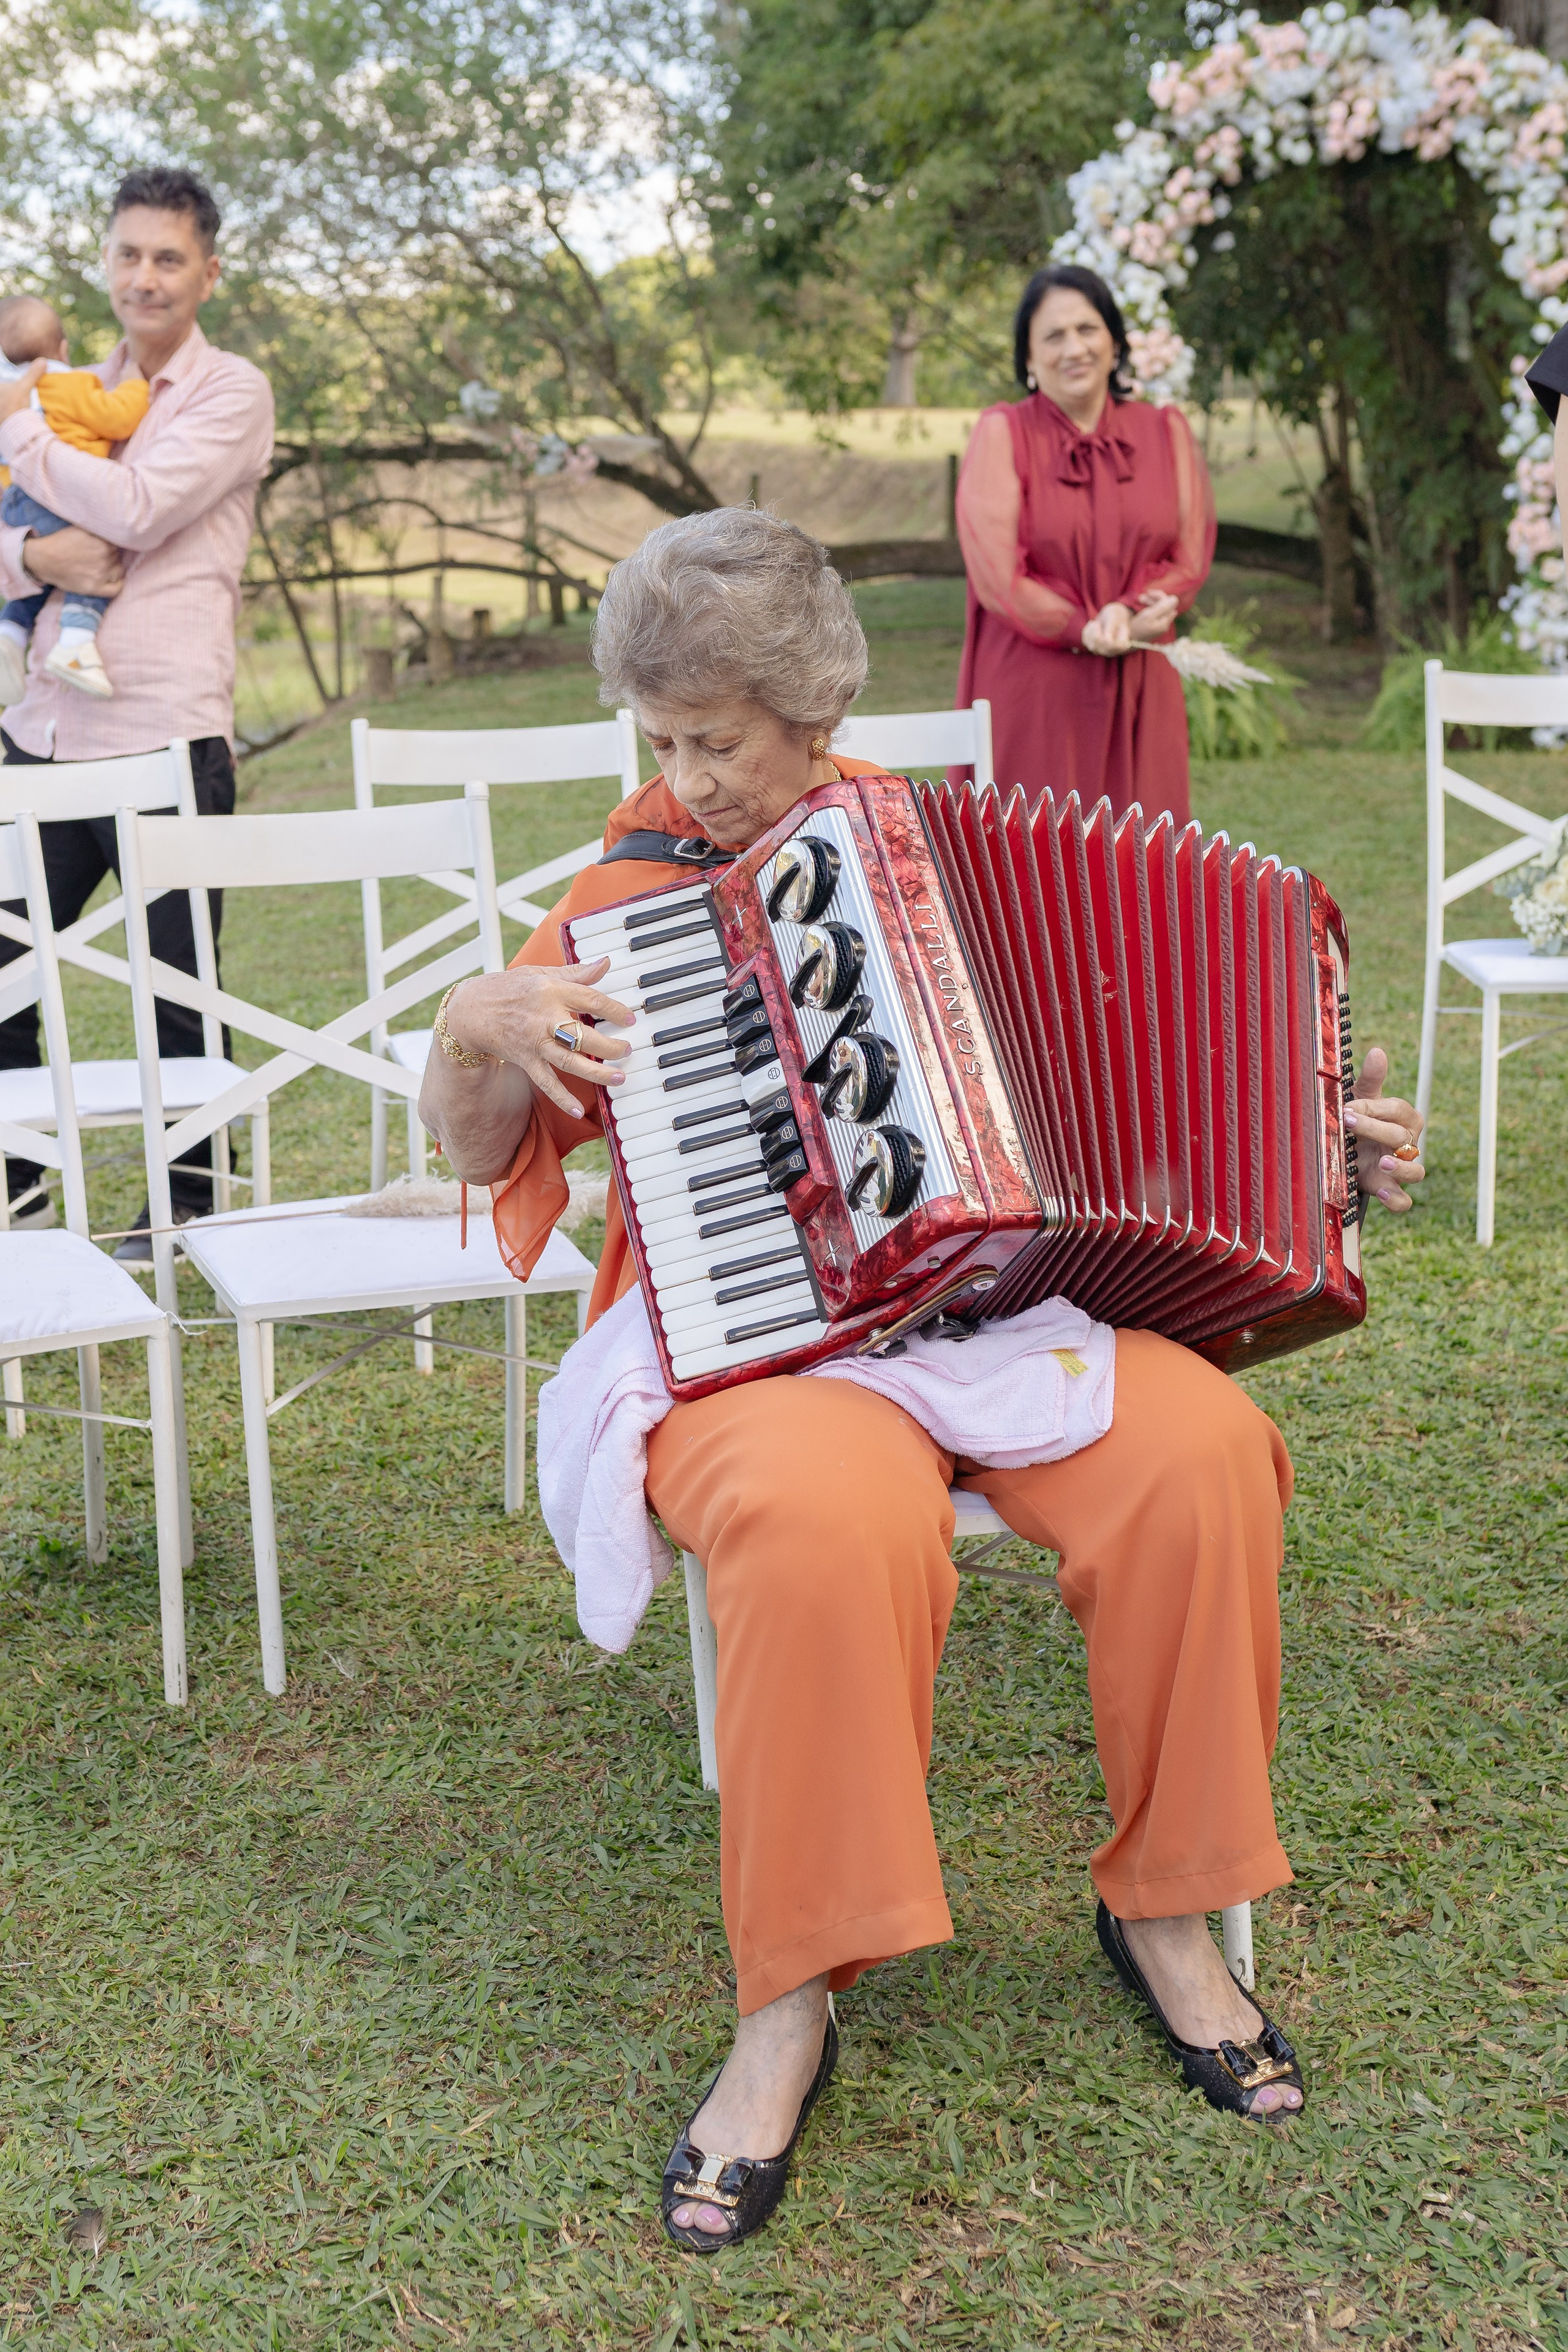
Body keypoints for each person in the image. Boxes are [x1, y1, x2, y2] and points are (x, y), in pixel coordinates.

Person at [420, 508, 1427, 2255]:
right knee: (824, 1525)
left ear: (812, 708)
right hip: (754, 1338)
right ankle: (791, 1995)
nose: (684, 780)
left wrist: (1322, 1145)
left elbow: (1188, 1057)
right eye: (657, 740)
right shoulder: (624, 909)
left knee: (1208, 1456)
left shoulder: (939, 853)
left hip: (991, 1317)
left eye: (715, 742)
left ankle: (1171, 1908)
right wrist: (469, 1036)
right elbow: (480, 1146)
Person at [0, 167, 274, 1251]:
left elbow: (140, 508)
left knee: (178, 985)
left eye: (169, 257)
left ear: (207, 271)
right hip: (44, 731)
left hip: (167, 734)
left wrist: (20, 432)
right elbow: (62, 531)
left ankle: (186, 1208)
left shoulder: (229, 392)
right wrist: (31, 554)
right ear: (105, 263)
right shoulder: (73, 385)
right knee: (3, 966)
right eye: (128, 254)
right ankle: (20, 1191)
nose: (145, 277)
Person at [954, 264, 1215, 823]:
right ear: (1027, 359)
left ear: (1115, 342)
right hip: (1037, 689)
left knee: (1146, 874)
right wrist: (1085, 629)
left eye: (1087, 329)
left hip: (1143, 678)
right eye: (1053, 336)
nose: (1074, 348)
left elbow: (1188, 560)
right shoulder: (1003, 433)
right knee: (1035, 875)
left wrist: (1127, 612)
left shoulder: (1166, 431)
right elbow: (1000, 579)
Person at [0, 294, 152, 702]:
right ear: (63, 349)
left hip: (15, 498)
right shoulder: (70, 384)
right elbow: (118, 418)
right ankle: (77, 642)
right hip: (58, 495)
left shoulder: (7, 395)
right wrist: (136, 382)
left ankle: (10, 633)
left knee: (46, 574)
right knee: (95, 547)